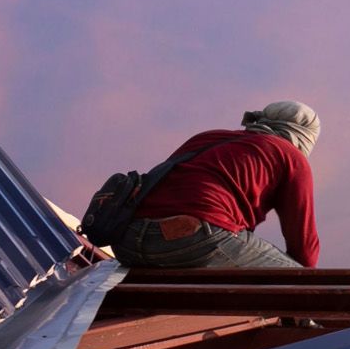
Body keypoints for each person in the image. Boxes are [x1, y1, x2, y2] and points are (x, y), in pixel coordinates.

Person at [113, 101, 322, 269]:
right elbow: (303, 245)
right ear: (304, 137)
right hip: (190, 240)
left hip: (126, 241)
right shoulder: (291, 156)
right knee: (301, 284)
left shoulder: (207, 138)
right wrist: (304, 281)